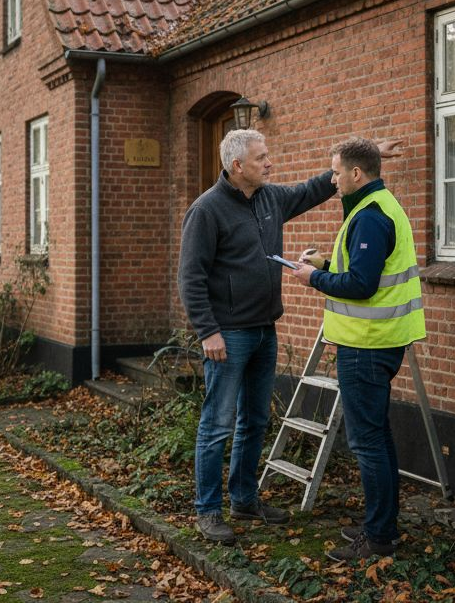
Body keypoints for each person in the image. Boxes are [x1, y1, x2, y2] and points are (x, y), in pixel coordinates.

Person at [179, 128, 400, 545]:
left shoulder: (270, 199)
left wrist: (369, 153)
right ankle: (207, 511)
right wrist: (208, 331)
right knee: (217, 425)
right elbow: (190, 277)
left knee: (255, 421)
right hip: (227, 335)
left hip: (265, 330)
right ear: (237, 165)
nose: (269, 163)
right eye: (261, 157)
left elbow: (315, 188)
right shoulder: (206, 210)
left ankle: (244, 499)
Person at [288, 136, 424, 561]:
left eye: (336, 173)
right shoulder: (378, 206)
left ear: (356, 173)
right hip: (378, 341)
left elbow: (362, 286)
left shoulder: (369, 216)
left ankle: (379, 537)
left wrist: (312, 279)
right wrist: (325, 266)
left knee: (367, 442)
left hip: (366, 345)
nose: (332, 180)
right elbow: (363, 272)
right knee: (377, 437)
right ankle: (381, 527)